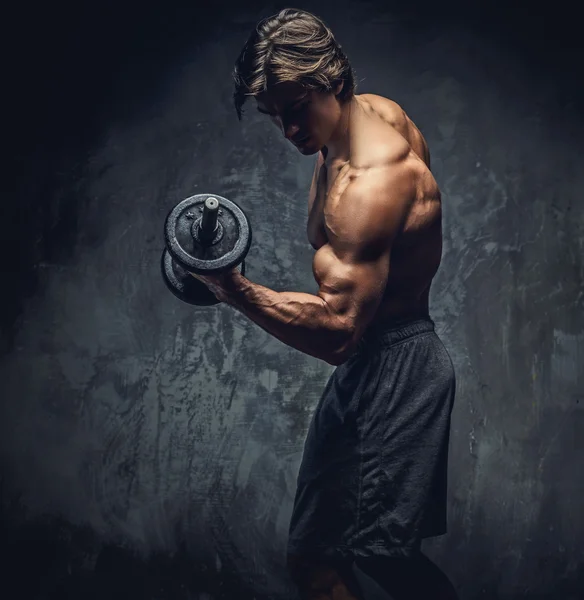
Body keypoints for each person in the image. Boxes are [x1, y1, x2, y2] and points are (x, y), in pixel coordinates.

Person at [192, 8, 459, 600]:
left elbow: (339, 331)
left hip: (399, 368)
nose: (287, 130)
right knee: (314, 557)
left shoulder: (375, 180)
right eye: (274, 117)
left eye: (294, 110)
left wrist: (232, 288)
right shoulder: (366, 114)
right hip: (371, 366)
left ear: (333, 79)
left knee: (384, 559)